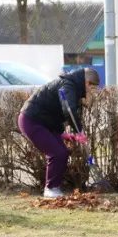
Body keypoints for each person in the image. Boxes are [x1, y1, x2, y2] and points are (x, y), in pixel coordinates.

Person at [17, 68, 101, 199]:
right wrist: (79, 130)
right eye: (92, 87)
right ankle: (50, 189)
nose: (91, 91)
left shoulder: (72, 87)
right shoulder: (68, 86)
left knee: (63, 151)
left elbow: (55, 112)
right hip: (31, 120)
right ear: (87, 82)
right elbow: (69, 110)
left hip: (45, 123)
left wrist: (61, 133)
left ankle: (54, 188)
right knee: (57, 153)